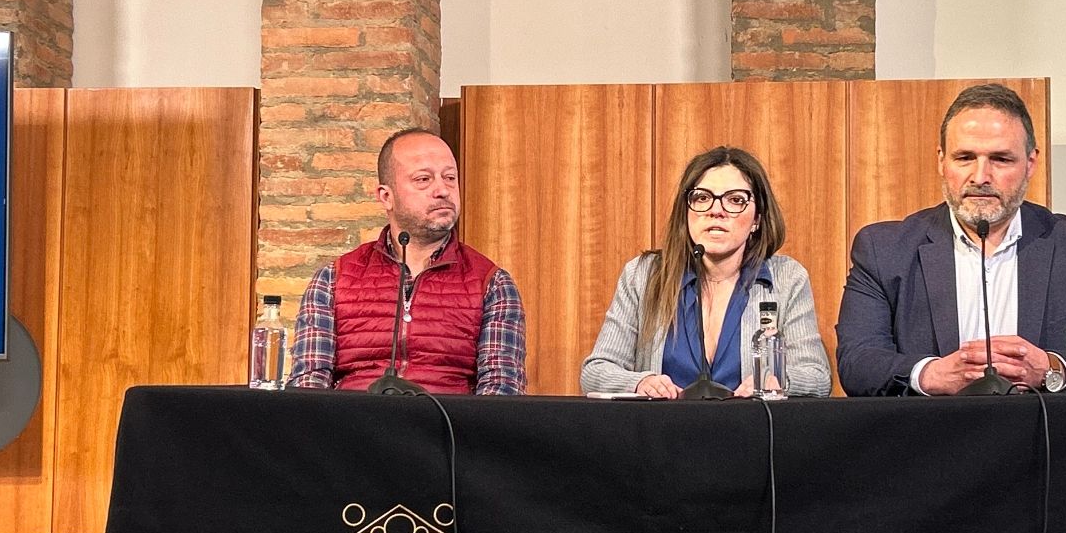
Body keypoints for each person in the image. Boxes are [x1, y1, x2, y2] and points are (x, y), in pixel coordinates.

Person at [835, 83, 1066, 396]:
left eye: (1001, 159)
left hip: (1044, 438)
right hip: (928, 437)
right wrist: (930, 374)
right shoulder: (883, 250)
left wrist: (1050, 369)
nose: (980, 177)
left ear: (1030, 163)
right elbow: (858, 364)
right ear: (941, 161)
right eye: (964, 157)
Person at [580, 146, 831, 398]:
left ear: (757, 219)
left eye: (735, 200)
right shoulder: (643, 275)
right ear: (686, 211)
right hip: (664, 432)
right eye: (702, 198)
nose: (716, 210)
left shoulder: (787, 279)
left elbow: (817, 377)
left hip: (750, 433)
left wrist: (776, 380)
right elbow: (595, 371)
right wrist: (639, 382)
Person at [288, 128, 526, 393]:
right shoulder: (333, 279)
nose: (442, 190)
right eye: (424, 179)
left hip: (448, 431)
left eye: (450, 178)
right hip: (352, 429)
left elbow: (500, 394)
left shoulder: (492, 283)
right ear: (386, 196)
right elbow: (307, 389)